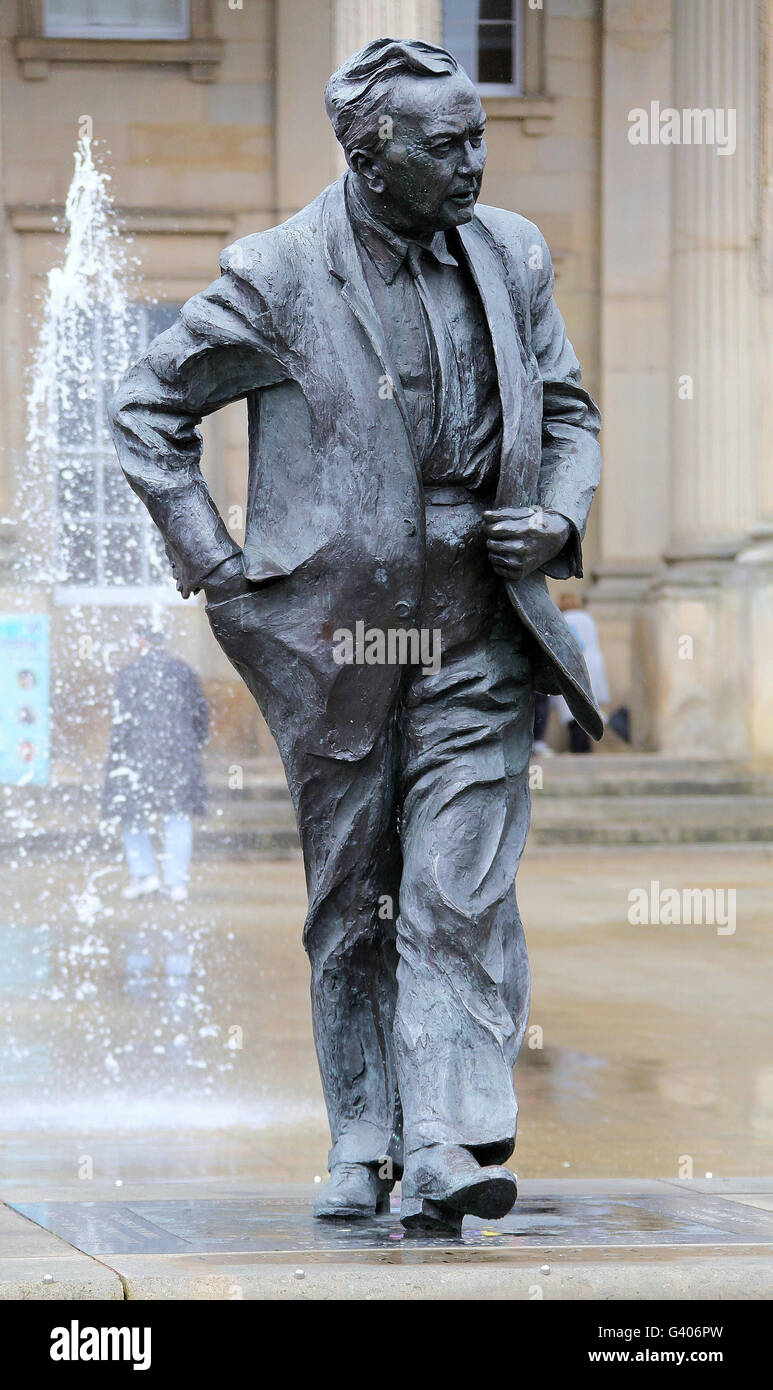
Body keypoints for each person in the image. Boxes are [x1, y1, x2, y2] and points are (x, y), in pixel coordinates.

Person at [109, 39, 601, 1233]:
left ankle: (441, 1140)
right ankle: (362, 1132)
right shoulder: (277, 274)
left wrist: (556, 516)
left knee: (451, 887)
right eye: (447, 146)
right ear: (371, 158)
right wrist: (221, 573)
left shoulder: (512, 253)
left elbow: (572, 413)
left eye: (478, 134)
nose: (476, 161)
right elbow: (145, 409)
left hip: (481, 631)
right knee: (352, 899)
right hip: (332, 640)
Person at [102, 627, 209, 903]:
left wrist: (117, 757)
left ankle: (144, 876)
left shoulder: (129, 674)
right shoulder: (183, 671)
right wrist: (192, 747)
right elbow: (200, 716)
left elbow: (121, 721)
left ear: (140, 642)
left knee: (133, 815)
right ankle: (176, 884)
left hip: (136, 755)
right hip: (178, 755)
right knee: (177, 816)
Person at [552, 593, 609, 753]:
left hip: (575, 665)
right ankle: (585, 748)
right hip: (594, 664)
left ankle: (579, 750)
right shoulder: (587, 618)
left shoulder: (565, 619)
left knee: (574, 712)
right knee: (588, 709)